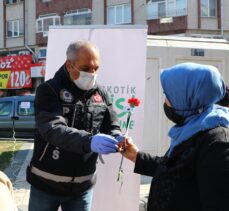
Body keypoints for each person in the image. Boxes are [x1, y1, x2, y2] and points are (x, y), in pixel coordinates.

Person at [27, 40, 122, 211]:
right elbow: (53, 128)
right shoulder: (49, 90)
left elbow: (111, 124)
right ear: (69, 65)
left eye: (96, 68)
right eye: (86, 68)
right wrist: (89, 141)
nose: (92, 74)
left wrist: (117, 136)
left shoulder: (101, 94)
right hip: (45, 185)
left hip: (82, 188)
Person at [121, 63, 229, 211]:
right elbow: (176, 170)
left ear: (187, 97)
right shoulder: (193, 128)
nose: (165, 102)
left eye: (168, 95)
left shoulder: (217, 143)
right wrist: (136, 156)